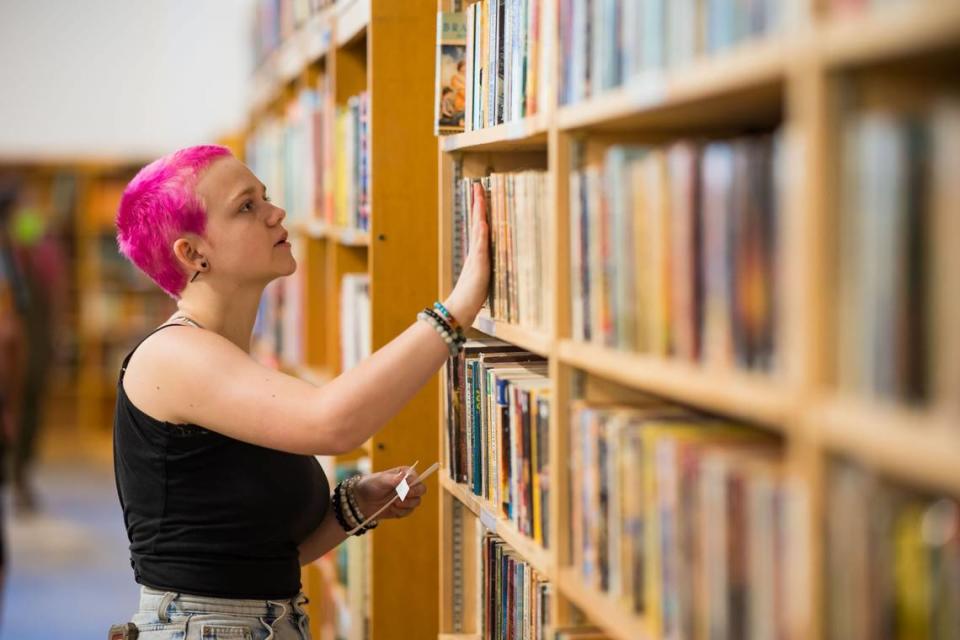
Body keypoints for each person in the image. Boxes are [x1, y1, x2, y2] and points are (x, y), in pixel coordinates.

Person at [112, 145, 489, 639]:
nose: (276, 213)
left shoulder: (225, 363)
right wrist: (457, 308)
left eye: (264, 197)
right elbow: (331, 423)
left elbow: (253, 554)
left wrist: (351, 507)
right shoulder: (172, 356)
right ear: (193, 252)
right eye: (247, 206)